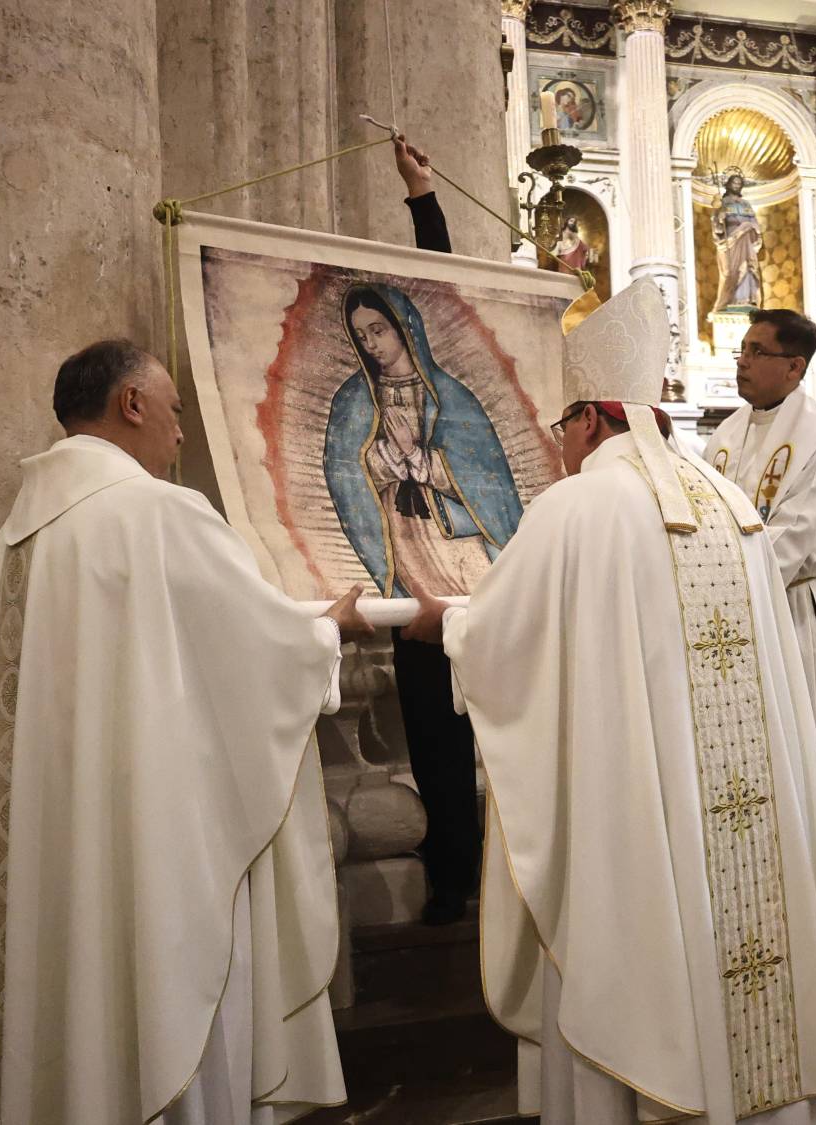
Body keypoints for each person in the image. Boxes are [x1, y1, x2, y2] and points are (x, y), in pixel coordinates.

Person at [403, 281, 816, 1125]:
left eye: (561, 430)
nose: (562, 447)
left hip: (637, 826)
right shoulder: (730, 507)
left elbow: (506, 636)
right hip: (735, 833)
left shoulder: (578, 504)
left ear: (588, 419)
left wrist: (445, 625)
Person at [0, 340, 368, 1125]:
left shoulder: (17, 540)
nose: (181, 433)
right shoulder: (156, 512)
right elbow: (259, 654)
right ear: (131, 403)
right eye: (175, 409)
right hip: (143, 847)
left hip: (50, 857)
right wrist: (325, 635)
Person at [704, 308, 816, 935]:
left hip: (789, 610)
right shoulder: (724, 432)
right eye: (741, 350)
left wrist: (710, 574)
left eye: (755, 350)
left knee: (803, 750)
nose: (741, 361)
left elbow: (799, 538)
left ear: (793, 365)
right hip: (729, 614)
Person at [357, 135, 485, 925]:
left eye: (383, 330)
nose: (373, 344)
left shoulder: (447, 398)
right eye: (363, 335)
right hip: (412, 579)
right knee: (430, 728)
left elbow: (479, 478)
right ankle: (453, 872)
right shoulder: (361, 410)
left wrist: (421, 198)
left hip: (473, 575)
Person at [711, 170, 762, 311]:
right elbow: (718, 228)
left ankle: (747, 299)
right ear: (728, 184)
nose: (737, 185)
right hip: (731, 240)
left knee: (748, 267)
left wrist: (756, 233)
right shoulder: (723, 202)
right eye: (734, 183)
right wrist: (719, 219)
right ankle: (731, 300)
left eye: (739, 183)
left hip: (746, 238)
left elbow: (754, 221)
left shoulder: (746, 204)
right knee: (732, 271)